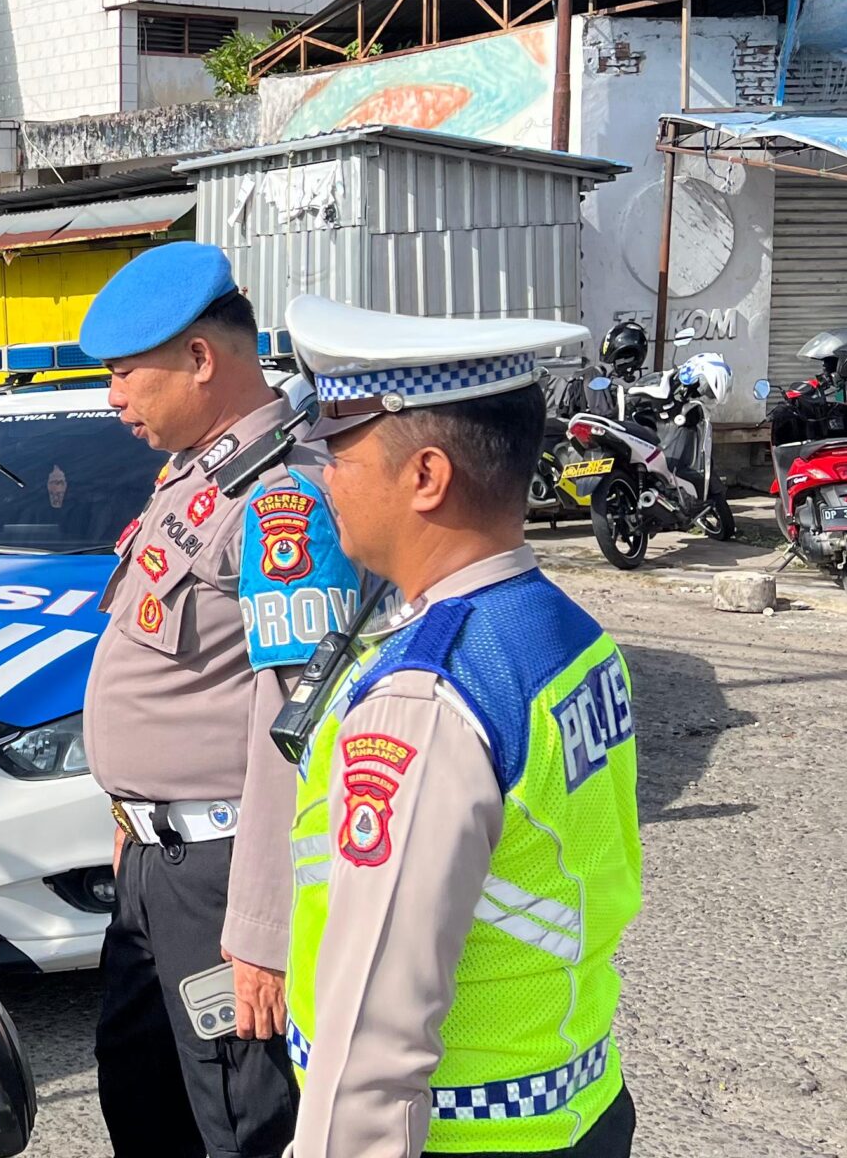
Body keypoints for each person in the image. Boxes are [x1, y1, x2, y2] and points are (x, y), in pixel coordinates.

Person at [281, 294, 641, 1157]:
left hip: (462, 1134)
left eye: (338, 451)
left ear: (426, 477)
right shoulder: (566, 632)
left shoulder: (427, 697)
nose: (322, 479)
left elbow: (376, 1022)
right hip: (575, 1101)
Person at [75, 243, 363, 1158]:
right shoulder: (199, 475)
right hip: (155, 859)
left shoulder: (284, 498)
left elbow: (295, 727)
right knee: (141, 1093)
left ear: (199, 358)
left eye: (125, 373)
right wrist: (130, 814)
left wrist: (264, 928)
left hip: (224, 870)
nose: (113, 398)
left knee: (239, 1120)